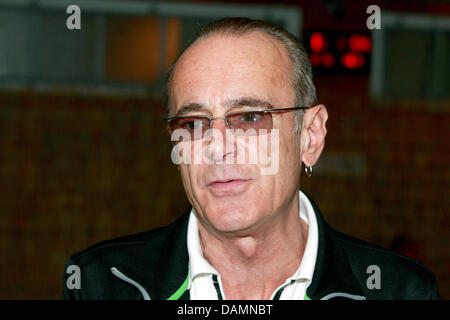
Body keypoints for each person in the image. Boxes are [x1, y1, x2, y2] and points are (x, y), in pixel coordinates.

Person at [62, 17, 439, 300]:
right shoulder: (102, 284)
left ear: (310, 136)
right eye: (193, 123)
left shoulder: (399, 291)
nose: (217, 146)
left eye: (249, 117)